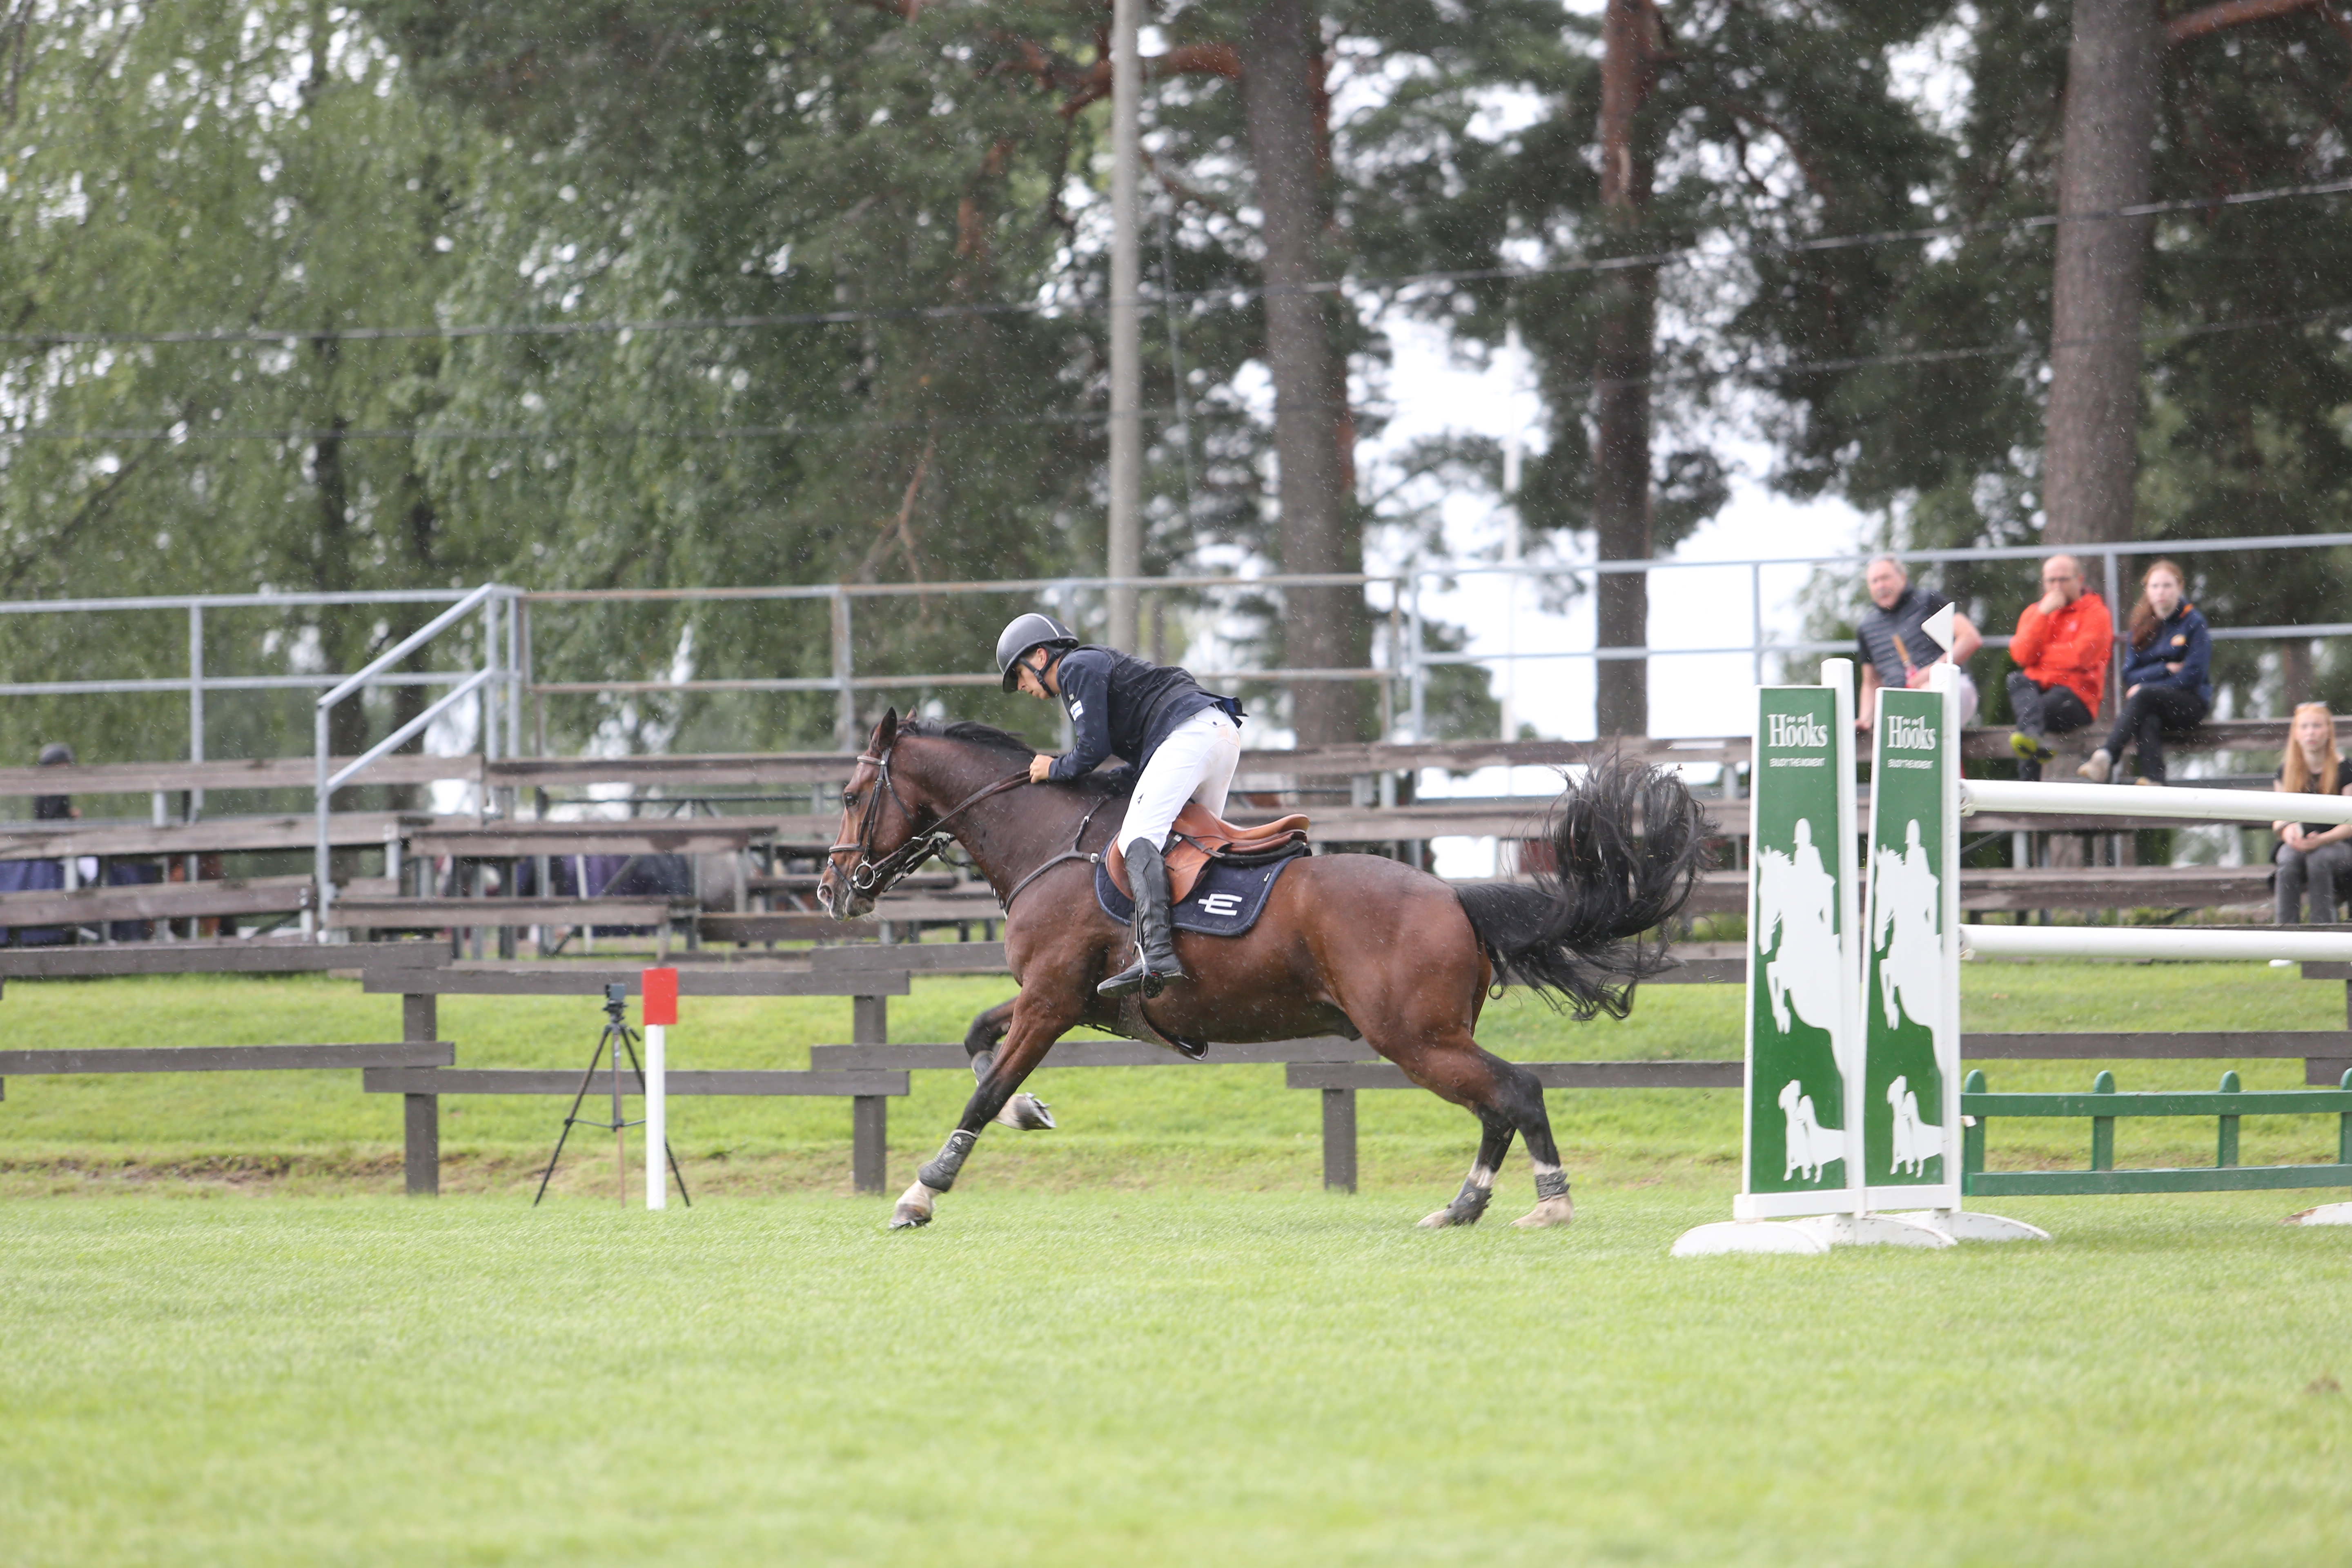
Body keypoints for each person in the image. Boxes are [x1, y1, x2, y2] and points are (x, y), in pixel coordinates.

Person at [996, 612, 1245, 999]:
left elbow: (1091, 750)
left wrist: (1053, 768)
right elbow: (1125, 769)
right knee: (1192, 847)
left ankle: (1158, 955)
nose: (1023, 687)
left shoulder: (1075, 668)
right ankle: (1210, 949)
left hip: (1192, 734)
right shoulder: (1092, 669)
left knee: (1138, 838)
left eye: (1019, 676)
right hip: (1216, 733)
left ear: (1041, 658)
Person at [2079, 559, 2211, 786]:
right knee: (2146, 714)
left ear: (2180, 588)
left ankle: (2108, 755)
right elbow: (2129, 675)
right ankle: (2154, 779)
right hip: (2153, 704)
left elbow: (2193, 676)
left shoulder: (2194, 623)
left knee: (2144, 697)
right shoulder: (2141, 624)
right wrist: (2164, 669)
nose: (2161, 592)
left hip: (2190, 704)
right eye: (2155, 586)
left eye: (2167, 585)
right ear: (2147, 590)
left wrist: (2151, 687)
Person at [2005, 554, 2111, 780]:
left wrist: (2041, 656)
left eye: (2063, 580)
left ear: (2079, 579)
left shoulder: (2096, 613)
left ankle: (2027, 791)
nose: (2057, 587)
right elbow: (2022, 656)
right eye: (2051, 581)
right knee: (2016, 680)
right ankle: (2033, 744)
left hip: (2075, 699)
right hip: (2040, 692)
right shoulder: (2036, 612)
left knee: (2032, 714)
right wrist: (2043, 614)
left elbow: (2081, 657)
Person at [1854, 555, 1982, 728]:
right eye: (1874, 581)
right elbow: (1871, 683)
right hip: (1901, 709)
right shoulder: (1867, 628)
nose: (1880, 586)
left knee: (1929, 697)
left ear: (1903, 578)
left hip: (1953, 689)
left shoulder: (1928, 600)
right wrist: (1865, 721)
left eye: (1885, 578)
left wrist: (1934, 670)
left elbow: (1970, 637)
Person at [2272, 702, 2352, 924]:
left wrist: (2323, 840)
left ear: (2328, 730)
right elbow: (2279, 817)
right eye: (2305, 726)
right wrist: (2288, 832)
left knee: (2320, 859)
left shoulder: (2346, 770)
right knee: (2287, 860)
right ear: (2296, 733)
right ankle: (2285, 938)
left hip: (2340, 844)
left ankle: (2323, 934)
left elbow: (2350, 824)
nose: (2311, 732)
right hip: (2299, 843)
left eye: (2317, 726)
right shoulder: (2285, 771)